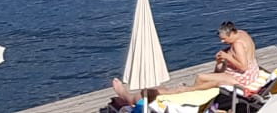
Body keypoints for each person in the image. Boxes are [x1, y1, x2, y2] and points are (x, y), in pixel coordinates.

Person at [111, 22, 265, 107]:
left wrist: (226, 56)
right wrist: (225, 58)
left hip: (241, 78)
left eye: (224, 39)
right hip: (252, 73)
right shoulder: (242, 34)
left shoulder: (237, 44)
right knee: (201, 79)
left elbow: (243, 66)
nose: (222, 41)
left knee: (196, 79)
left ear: (231, 33)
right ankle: (190, 89)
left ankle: (127, 97)